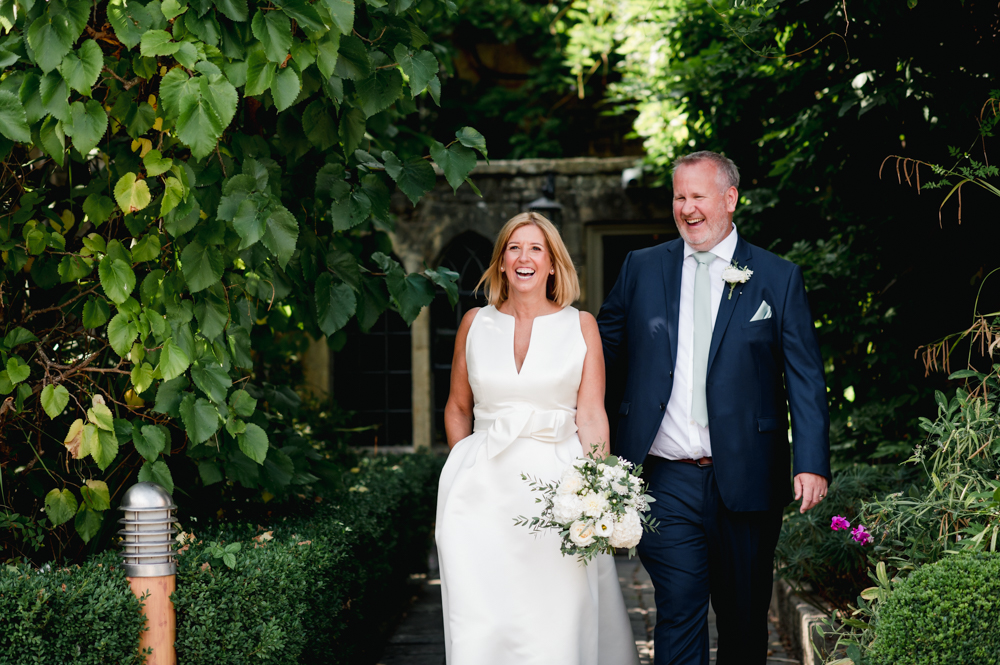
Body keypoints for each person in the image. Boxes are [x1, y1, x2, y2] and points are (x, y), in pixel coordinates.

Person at [597, 151, 831, 665]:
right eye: (679, 197)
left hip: (748, 475)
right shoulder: (642, 268)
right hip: (664, 477)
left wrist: (811, 460)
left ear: (729, 199)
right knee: (678, 610)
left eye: (697, 196)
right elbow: (601, 352)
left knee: (744, 619)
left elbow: (806, 377)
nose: (687, 208)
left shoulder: (777, 276)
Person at [436, 212, 640, 665]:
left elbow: (590, 414)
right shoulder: (474, 322)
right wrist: (462, 466)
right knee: (482, 613)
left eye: (535, 249)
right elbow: (457, 408)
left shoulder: (581, 325)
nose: (523, 257)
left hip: (558, 489)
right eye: (513, 248)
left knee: (557, 611)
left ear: (552, 264)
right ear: (501, 263)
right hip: (480, 493)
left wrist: (600, 490)